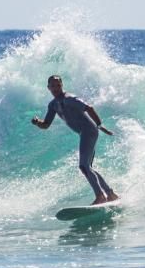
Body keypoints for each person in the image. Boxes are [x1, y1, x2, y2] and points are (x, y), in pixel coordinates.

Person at [31, 75, 120, 205]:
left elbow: (89, 108)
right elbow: (46, 125)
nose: (56, 88)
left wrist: (99, 125)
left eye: (58, 85)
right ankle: (110, 194)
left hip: (89, 131)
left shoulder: (70, 99)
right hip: (83, 133)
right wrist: (37, 122)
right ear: (48, 88)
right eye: (53, 86)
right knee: (87, 167)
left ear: (62, 85)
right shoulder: (53, 105)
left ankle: (100, 196)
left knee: (84, 166)